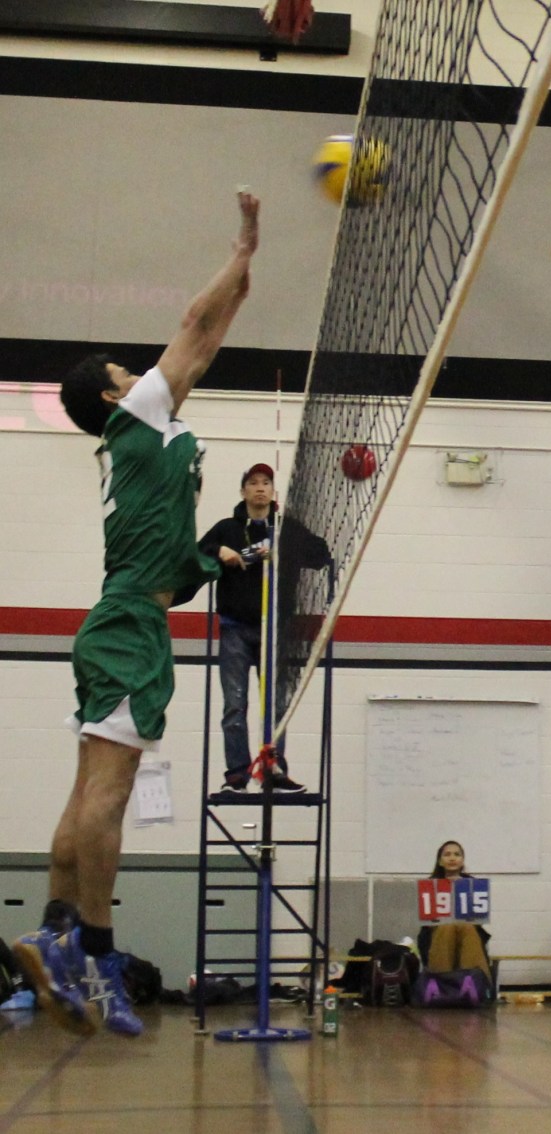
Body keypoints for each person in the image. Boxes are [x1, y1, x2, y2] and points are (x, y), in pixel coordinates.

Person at [13, 191, 261, 1038]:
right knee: (109, 795)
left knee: (89, 784)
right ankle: (100, 959)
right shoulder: (141, 414)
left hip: (119, 618)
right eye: (130, 369)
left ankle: (48, 933)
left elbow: (206, 340)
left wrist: (241, 286)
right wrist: (242, 249)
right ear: (118, 393)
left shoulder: (139, 432)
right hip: (127, 631)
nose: (146, 371)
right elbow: (195, 323)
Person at [198, 462, 306, 796]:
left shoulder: (287, 528)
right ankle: (237, 774)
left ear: (273, 492)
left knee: (276, 706)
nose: (260, 488)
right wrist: (220, 551)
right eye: (253, 482)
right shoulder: (226, 528)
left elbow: (321, 554)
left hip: (274, 630)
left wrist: (285, 551)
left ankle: (272, 768)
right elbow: (195, 552)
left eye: (266, 483)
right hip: (235, 630)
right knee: (235, 704)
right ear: (243, 490)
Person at [416, 840, 491, 982]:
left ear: (462, 861)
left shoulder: (473, 884)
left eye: (457, 854)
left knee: (465, 926)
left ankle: (474, 982)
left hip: (468, 932)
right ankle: (442, 982)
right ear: (440, 861)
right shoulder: (430, 885)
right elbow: (427, 924)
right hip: (437, 934)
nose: (452, 858)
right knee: (447, 926)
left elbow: (478, 921)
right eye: (447, 854)